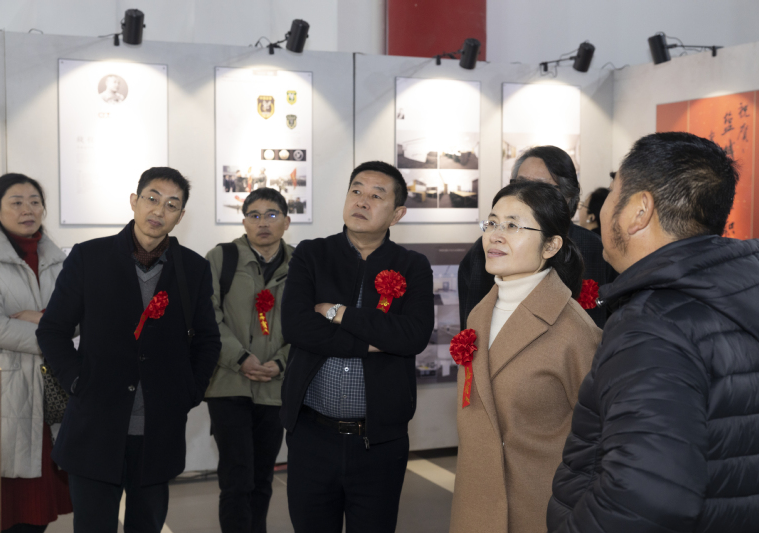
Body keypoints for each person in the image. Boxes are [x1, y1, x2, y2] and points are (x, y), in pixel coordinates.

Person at [548, 132, 759, 533]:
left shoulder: (654, 325)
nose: (602, 210)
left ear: (639, 210)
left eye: (612, 194)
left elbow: (645, 499)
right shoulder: (754, 293)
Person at [35, 167, 222, 533]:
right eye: (152, 198)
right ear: (134, 201)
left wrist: (190, 390)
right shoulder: (90, 257)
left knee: (146, 525)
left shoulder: (193, 268)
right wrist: (76, 380)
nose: (159, 210)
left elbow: (207, 340)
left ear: (180, 216)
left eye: (171, 205)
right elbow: (52, 330)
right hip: (96, 425)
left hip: (158, 430)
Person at [280, 161, 434, 533]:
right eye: (356, 190)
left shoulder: (413, 266)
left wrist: (339, 313)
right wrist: (375, 342)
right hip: (312, 435)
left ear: (397, 214)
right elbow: (297, 327)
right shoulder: (311, 254)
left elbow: (413, 336)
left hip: (379, 441)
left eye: (376, 196)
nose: (362, 201)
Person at [450, 181, 601, 533]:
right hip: (475, 502)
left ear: (551, 245)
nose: (496, 235)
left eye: (513, 226)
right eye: (492, 223)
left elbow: (601, 440)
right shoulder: (480, 314)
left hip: (538, 509)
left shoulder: (574, 331)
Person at [0, 174, 73, 533]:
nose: (28, 209)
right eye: (16, 202)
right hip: (5, 392)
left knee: (39, 511)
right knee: (5, 505)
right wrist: (54, 333)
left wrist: (43, 321)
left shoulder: (58, 257)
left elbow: (78, 319)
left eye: (35, 201)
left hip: (52, 395)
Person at [204, 187, 293, 533]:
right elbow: (207, 317)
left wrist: (281, 363)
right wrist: (239, 358)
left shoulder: (301, 264)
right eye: (254, 215)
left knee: (262, 478)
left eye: (271, 215)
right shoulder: (221, 258)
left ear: (286, 222)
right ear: (244, 222)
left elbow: (308, 324)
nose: (263, 223)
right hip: (229, 386)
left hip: (275, 387)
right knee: (236, 479)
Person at [458, 146, 615, 329]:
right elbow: (471, 333)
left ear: (568, 196)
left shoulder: (595, 248)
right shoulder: (487, 249)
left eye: (542, 188)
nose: (527, 195)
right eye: (520, 184)